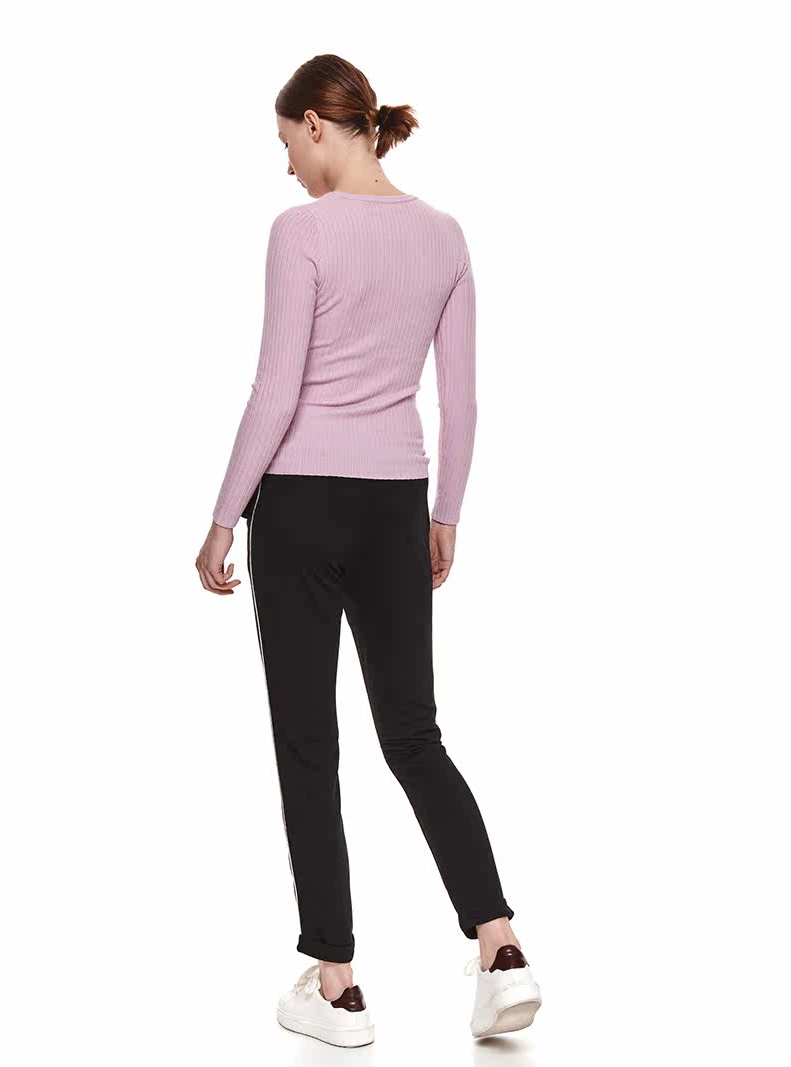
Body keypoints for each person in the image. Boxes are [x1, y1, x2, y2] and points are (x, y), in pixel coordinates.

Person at [195, 53, 542, 1045]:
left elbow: (276, 388)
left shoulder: (299, 231)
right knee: (414, 734)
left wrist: (223, 515)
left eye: (285, 143)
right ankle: (499, 945)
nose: (287, 166)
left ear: (316, 123)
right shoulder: (444, 236)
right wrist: (445, 512)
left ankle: (338, 983)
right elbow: (461, 399)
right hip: (396, 504)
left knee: (309, 740)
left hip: (299, 506)